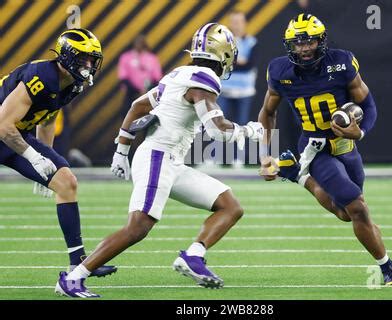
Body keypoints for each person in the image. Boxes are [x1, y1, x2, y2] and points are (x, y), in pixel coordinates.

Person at [56, 23, 264, 298]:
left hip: (170, 161)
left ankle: (193, 256)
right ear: (224, 53)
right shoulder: (203, 78)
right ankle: (73, 278)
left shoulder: (179, 74)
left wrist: (122, 149)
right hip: (158, 157)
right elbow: (217, 129)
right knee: (138, 228)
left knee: (230, 206)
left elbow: (138, 106)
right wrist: (249, 131)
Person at [258, 14, 392, 286]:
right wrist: (266, 154)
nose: (303, 49)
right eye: (297, 43)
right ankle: (388, 269)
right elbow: (268, 112)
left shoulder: (341, 63)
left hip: (346, 147)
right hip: (316, 148)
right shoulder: (280, 71)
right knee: (358, 207)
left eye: (309, 42)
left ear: (321, 41)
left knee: (345, 213)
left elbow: (369, 105)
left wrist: (360, 132)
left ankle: (296, 175)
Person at [0, 29, 116, 276]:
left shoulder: (73, 84)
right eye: (84, 59)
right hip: (6, 130)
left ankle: (78, 263)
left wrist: (46, 158)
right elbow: (3, 126)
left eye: (92, 60)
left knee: (66, 182)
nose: (89, 66)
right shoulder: (41, 76)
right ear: (67, 57)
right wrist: (34, 157)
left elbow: (48, 119)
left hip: (16, 136)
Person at [217, 11, 258, 166]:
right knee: (219, 124)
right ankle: (218, 158)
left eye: (239, 21)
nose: (236, 24)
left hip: (245, 91)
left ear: (244, 23)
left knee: (241, 125)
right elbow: (222, 63)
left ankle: (238, 159)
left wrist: (233, 62)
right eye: (233, 21)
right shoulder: (223, 41)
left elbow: (249, 65)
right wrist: (238, 61)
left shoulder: (252, 41)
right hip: (225, 89)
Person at [118, 34, 163, 119]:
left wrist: (147, 90)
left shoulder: (152, 58)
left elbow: (157, 78)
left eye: (141, 42)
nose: (139, 44)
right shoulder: (125, 57)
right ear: (133, 44)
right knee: (126, 115)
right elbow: (123, 78)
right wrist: (138, 90)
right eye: (137, 42)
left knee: (152, 116)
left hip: (148, 93)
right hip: (131, 93)